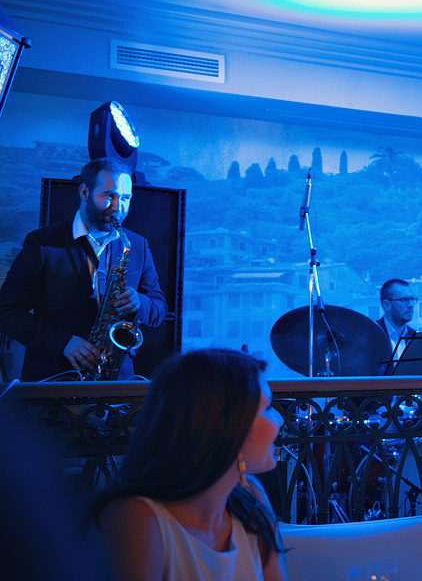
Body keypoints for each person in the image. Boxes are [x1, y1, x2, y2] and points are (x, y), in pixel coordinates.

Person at [91, 349, 287, 581]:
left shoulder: (251, 499)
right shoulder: (136, 518)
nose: (280, 421)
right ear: (225, 424)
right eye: (267, 408)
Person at [0, 158, 166, 381]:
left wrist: (140, 303)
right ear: (85, 192)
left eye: (125, 198)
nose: (117, 207)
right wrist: (63, 343)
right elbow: (6, 311)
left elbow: (159, 308)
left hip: (116, 381)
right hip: (55, 380)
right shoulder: (42, 243)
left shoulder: (137, 245)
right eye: (109, 195)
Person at [376, 279, 418, 369]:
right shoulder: (370, 335)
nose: (411, 305)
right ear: (387, 305)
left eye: (412, 299)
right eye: (404, 300)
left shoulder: (416, 337)